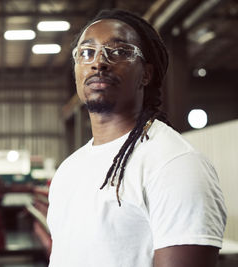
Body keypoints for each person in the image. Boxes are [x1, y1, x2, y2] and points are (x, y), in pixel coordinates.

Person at [46, 9, 226, 267]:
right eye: (86, 52)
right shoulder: (69, 169)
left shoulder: (175, 164)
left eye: (118, 51)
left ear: (146, 74)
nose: (98, 62)